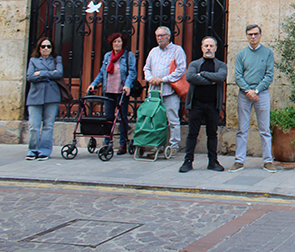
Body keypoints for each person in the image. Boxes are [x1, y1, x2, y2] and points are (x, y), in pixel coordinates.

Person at [230, 24, 276, 173]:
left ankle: (268, 161)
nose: (253, 37)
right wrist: (248, 91)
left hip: (261, 94)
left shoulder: (267, 53)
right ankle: (239, 161)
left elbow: (269, 75)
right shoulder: (242, 54)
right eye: (250, 34)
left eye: (256, 34)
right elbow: (238, 75)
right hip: (245, 94)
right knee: (242, 129)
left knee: (264, 129)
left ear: (260, 35)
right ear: (246, 36)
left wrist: (256, 90)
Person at [179, 36, 227, 173]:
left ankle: (213, 161)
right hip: (196, 104)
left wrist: (203, 75)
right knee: (192, 134)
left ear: (216, 48)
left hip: (213, 105)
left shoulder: (221, 65)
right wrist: (211, 79)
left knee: (212, 134)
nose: (208, 49)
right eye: (206, 46)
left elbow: (221, 77)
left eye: (211, 46)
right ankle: (188, 162)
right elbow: (190, 77)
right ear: (201, 47)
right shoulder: (194, 64)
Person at [87, 32, 137, 155]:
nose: (117, 44)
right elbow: (102, 73)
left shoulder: (128, 56)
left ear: (123, 43)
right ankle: (107, 141)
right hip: (108, 90)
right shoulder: (107, 56)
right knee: (108, 117)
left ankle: (122, 143)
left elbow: (132, 72)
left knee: (122, 118)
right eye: (114, 41)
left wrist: (128, 85)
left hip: (121, 91)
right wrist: (94, 83)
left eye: (119, 41)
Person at [143, 26, 187, 156]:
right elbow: (146, 68)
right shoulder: (153, 51)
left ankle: (174, 145)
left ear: (168, 36)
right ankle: (158, 144)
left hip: (170, 91)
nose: (159, 38)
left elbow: (181, 69)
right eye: (157, 36)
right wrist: (151, 78)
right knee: (157, 120)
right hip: (155, 92)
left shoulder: (177, 50)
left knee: (173, 119)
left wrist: (164, 79)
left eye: (162, 35)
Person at [26, 37, 63, 160]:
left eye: (49, 46)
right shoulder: (33, 60)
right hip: (35, 96)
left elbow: (59, 73)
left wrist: (41, 73)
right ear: (39, 48)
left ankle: (44, 150)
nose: (46, 49)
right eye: (43, 46)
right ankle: (33, 149)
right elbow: (30, 76)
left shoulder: (57, 59)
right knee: (34, 125)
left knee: (48, 125)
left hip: (52, 95)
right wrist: (49, 74)